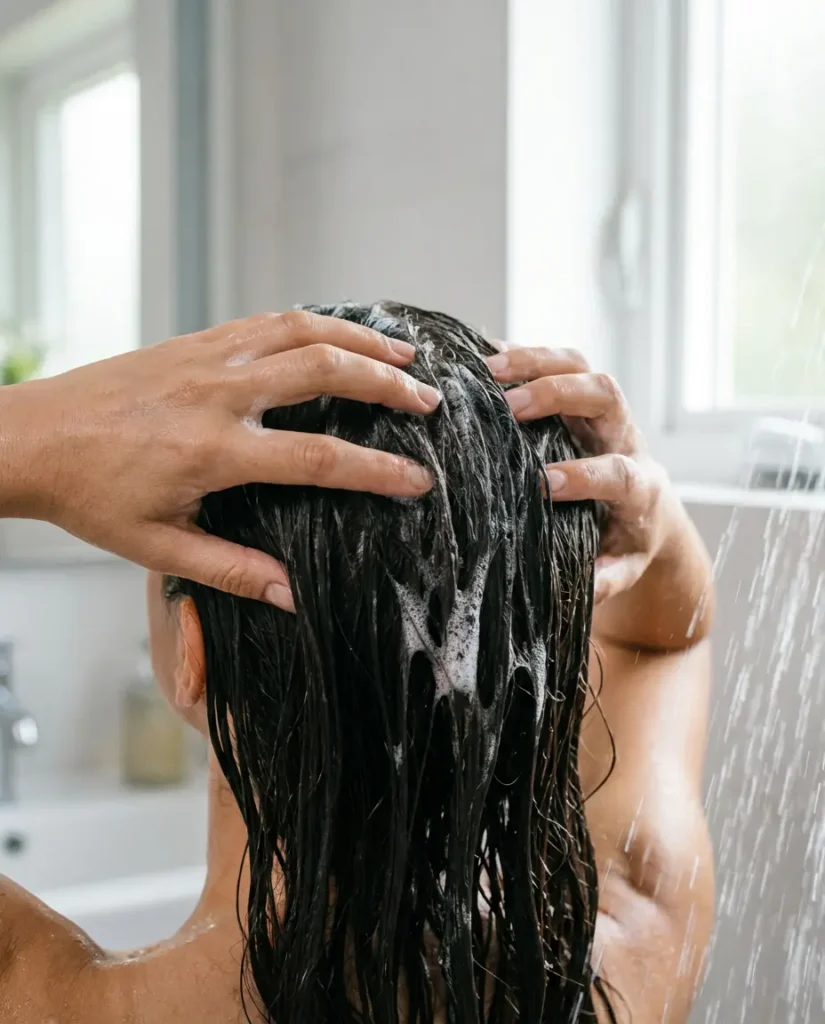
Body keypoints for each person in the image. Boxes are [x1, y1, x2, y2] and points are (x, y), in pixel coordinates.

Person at [0, 305, 714, 1023]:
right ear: (538, 654)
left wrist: (37, 428)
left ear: (192, 653)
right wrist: (645, 497)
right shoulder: (627, 966)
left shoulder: (38, 998)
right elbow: (665, 639)